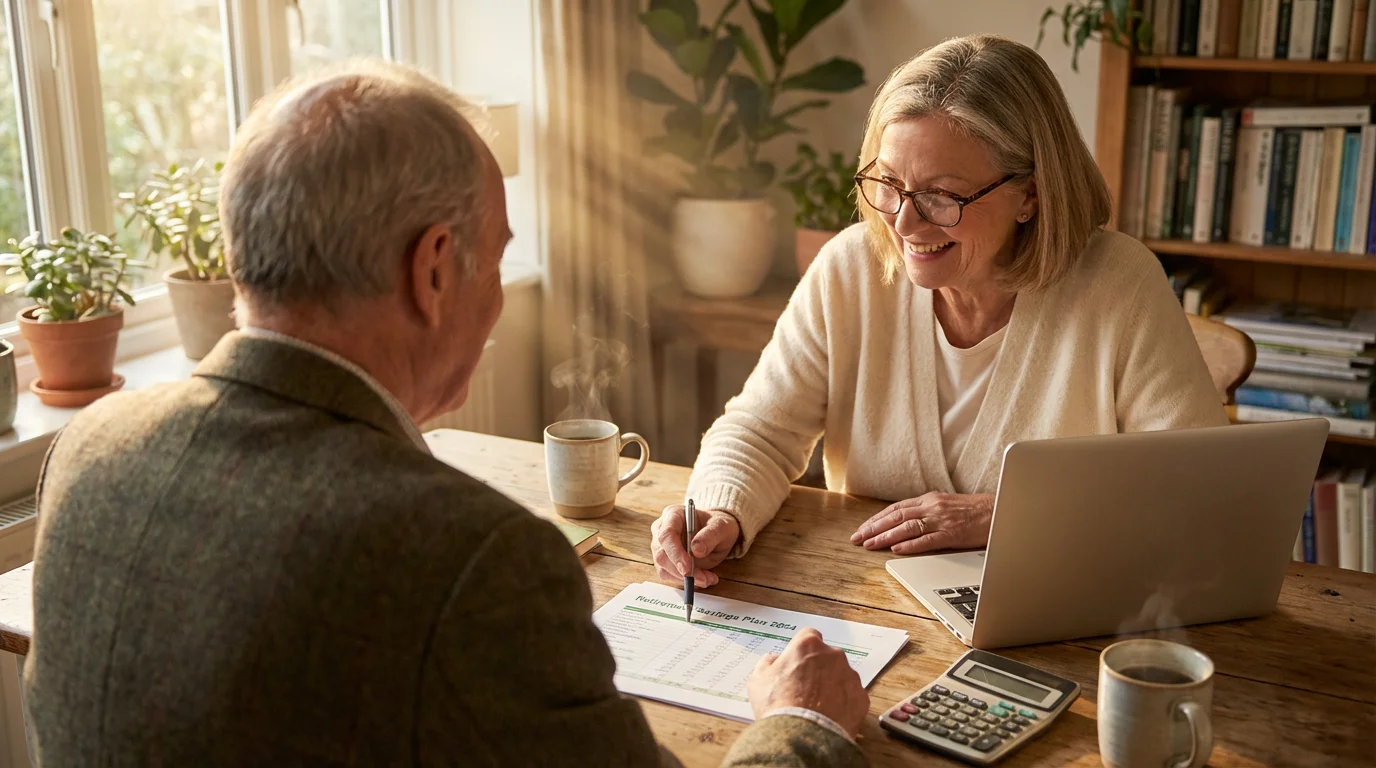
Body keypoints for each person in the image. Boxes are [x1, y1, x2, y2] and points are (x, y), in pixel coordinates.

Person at [23, 60, 869, 767]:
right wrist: (804, 724)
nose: (498, 296)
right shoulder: (474, 556)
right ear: (432, 271)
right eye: (495, 260)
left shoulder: (89, 450)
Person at [651, 35, 1228, 588]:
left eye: (941, 195)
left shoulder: (1120, 285)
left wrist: (1002, 516)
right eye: (889, 183)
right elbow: (760, 430)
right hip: (871, 602)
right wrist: (718, 508)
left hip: (1063, 612)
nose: (903, 223)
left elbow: (1195, 494)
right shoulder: (849, 269)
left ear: (1030, 194)